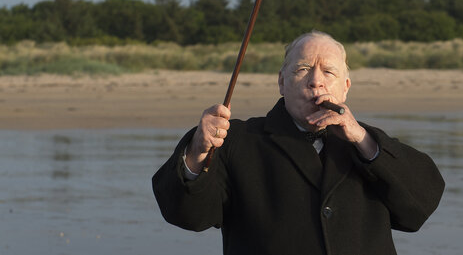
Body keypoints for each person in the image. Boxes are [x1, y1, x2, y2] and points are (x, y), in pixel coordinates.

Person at [152, 31, 445, 254]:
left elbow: (418, 209)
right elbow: (188, 216)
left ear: (345, 87)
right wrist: (197, 153)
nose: (316, 81)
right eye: (302, 69)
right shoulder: (236, 141)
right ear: (281, 82)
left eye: (328, 72)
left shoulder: (368, 143)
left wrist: (363, 139)